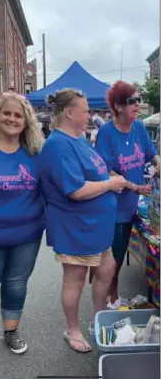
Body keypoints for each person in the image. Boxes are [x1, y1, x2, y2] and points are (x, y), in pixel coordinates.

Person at [39, 88, 126, 352]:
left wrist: (110, 178)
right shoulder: (57, 144)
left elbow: (94, 172)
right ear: (69, 112)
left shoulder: (78, 139)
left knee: (106, 270)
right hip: (76, 227)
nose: (90, 114)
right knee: (75, 278)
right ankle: (72, 329)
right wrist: (111, 183)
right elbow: (75, 190)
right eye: (86, 110)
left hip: (96, 227)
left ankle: (99, 319)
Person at [0, 93, 45, 365]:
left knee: (16, 285)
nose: (12, 119)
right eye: (7, 113)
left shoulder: (35, 151)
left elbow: (59, 181)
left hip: (27, 236)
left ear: (26, 121)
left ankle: (11, 331)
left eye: (18, 115)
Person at [95, 81, 160, 309]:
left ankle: (108, 286)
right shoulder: (106, 133)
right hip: (113, 206)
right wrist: (135, 187)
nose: (137, 105)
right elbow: (106, 171)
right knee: (115, 255)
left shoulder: (140, 128)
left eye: (138, 100)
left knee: (120, 254)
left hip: (134, 204)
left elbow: (151, 154)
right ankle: (110, 291)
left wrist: (157, 162)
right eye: (132, 101)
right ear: (118, 106)